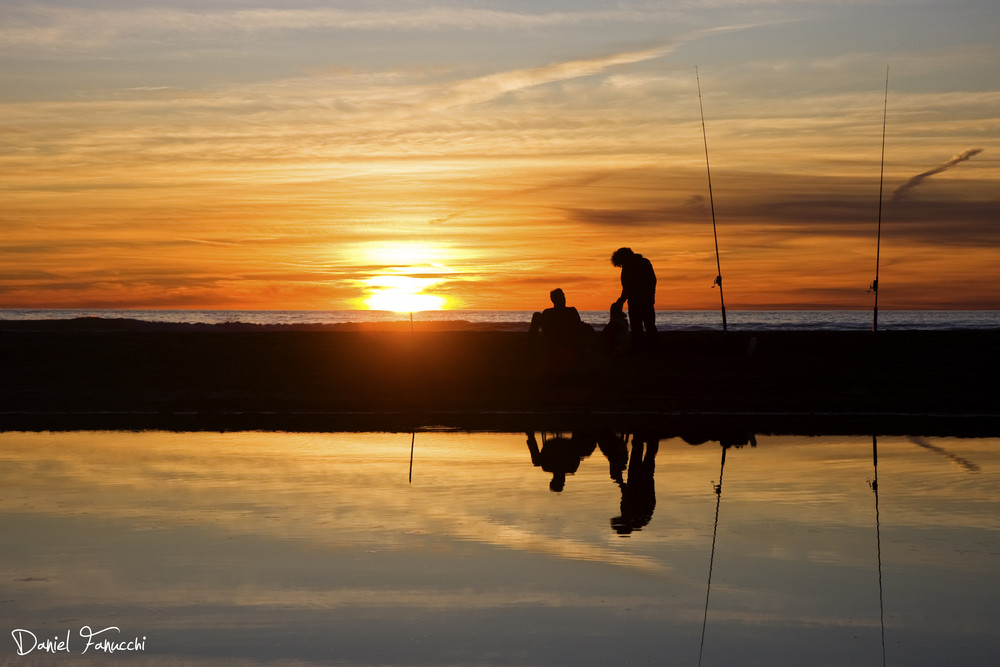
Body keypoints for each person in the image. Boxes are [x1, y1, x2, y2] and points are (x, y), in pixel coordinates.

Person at [611, 247, 657, 348]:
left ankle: (640, 348)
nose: (621, 265)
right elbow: (652, 281)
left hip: (637, 301)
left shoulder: (629, 267)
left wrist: (621, 300)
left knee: (638, 327)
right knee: (649, 326)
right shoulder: (644, 263)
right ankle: (651, 347)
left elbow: (627, 287)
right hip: (645, 300)